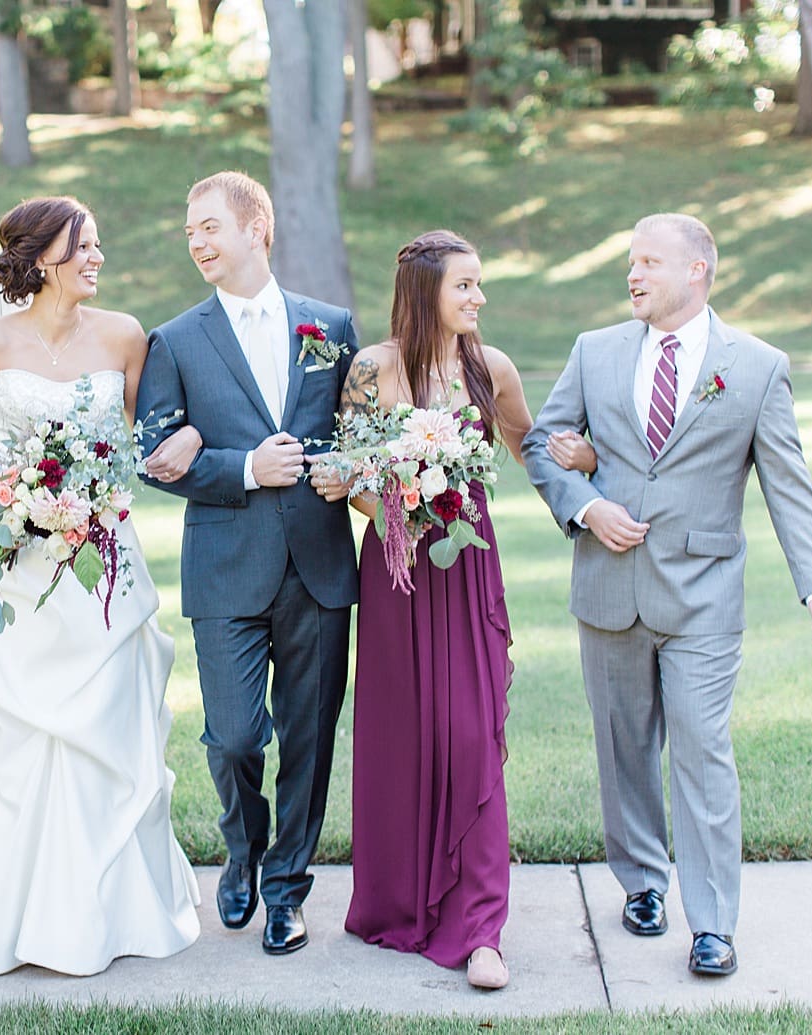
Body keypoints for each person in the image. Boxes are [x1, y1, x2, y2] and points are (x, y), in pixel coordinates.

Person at [522, 213, 812, 978]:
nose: (632, 275)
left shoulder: (757, 366)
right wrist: (584, 503)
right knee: (623, 747)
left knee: (702, 752)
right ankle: (640, 881)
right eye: (629, 263)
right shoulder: (593, 352)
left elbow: (788, 485)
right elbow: (542, 443)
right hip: (607, 588)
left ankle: (712, 923)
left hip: (703, 594)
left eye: (648, 263)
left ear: (697, 269)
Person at [0, 196, 202, 977]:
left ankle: (104, 915)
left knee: (104, 731)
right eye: (83, 247)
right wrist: (25, 517)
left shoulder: (122, 334)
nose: (97, 259)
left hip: (100, 569)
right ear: (41, 258)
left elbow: (151, 436)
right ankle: (1, 915)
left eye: (98, 245)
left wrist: (96, 508)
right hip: (10, 572)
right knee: (7, 740)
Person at [335, 230, 591, 990]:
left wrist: (582, 474)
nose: (479, 299)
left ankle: (480, 929)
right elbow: (349, 476)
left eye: (479, 285)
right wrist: (399, 492)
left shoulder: (491, 367)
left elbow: (528, 445)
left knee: (472, 735)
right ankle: (399, 903)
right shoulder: (369, 370)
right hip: (396, 574)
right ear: (426, 294)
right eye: (465, 286)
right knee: (402, 735)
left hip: (468, 572)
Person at [136, 171, 359, 956]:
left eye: (208, 227)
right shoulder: (174, 340)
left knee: (308, 736)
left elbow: (359, 432)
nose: (196, 242)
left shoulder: (330, 326)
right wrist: (240, 468)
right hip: (226, 564)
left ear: (256, 227)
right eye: (189, 230)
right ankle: (243, 849)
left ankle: (286, 886)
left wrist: (345, 469)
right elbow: (153, 460)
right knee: (233, 737)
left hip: (320, 566)